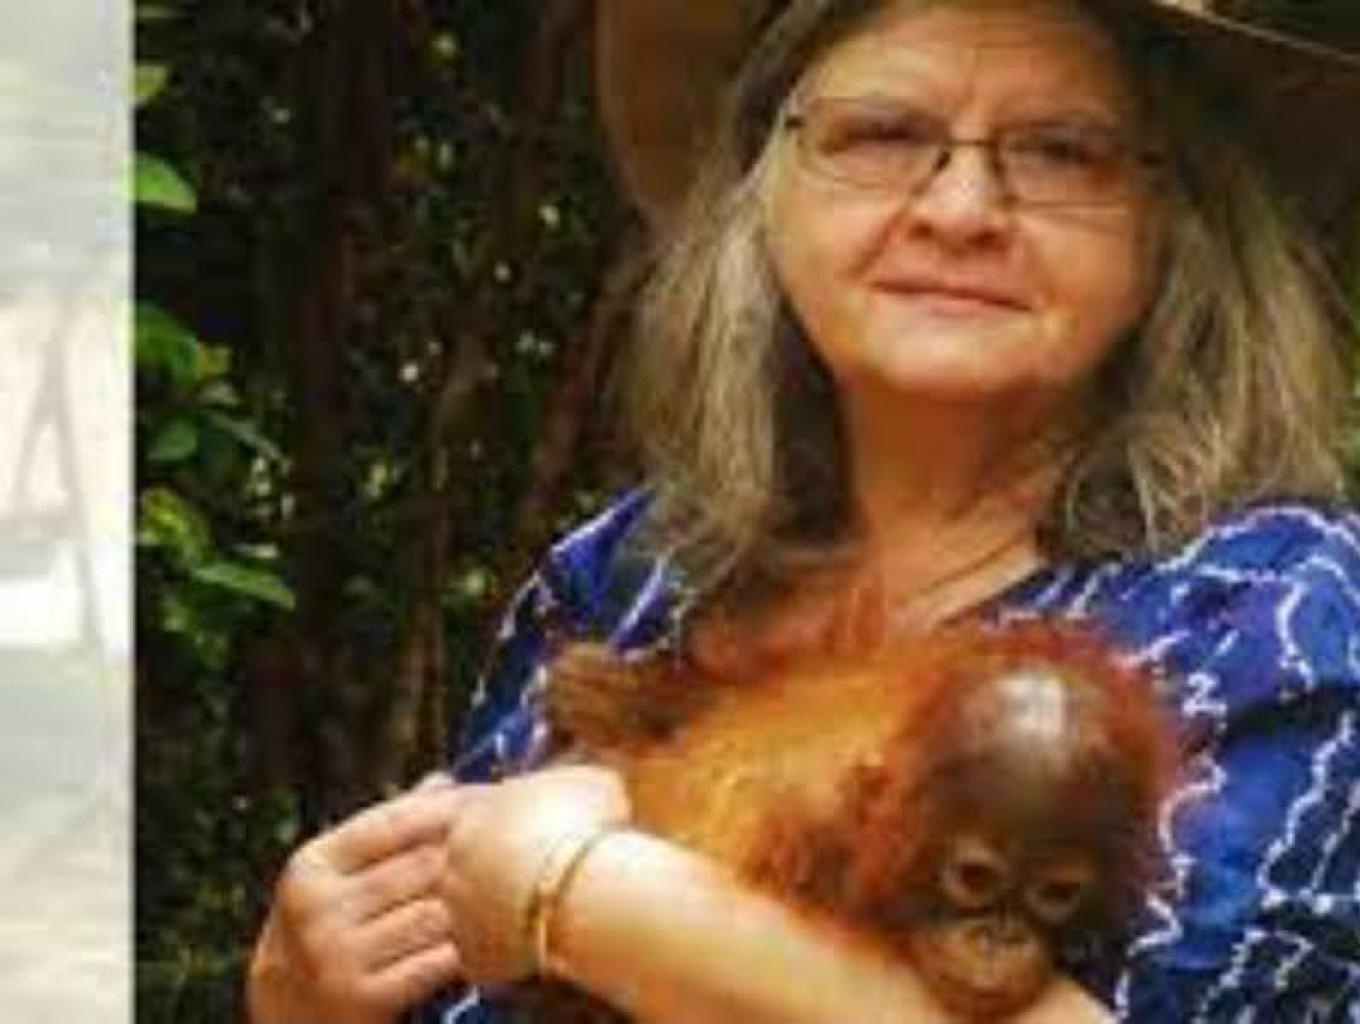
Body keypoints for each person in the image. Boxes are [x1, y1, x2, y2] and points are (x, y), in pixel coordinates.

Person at [246, 0, 1360, 1021]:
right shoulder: (630, 574)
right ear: (759, 189)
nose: (960, 210)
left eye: (1063, 151)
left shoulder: (1278, 615)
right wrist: (301, 996)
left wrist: (576, 893)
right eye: (879, 135)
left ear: (1179, 223)